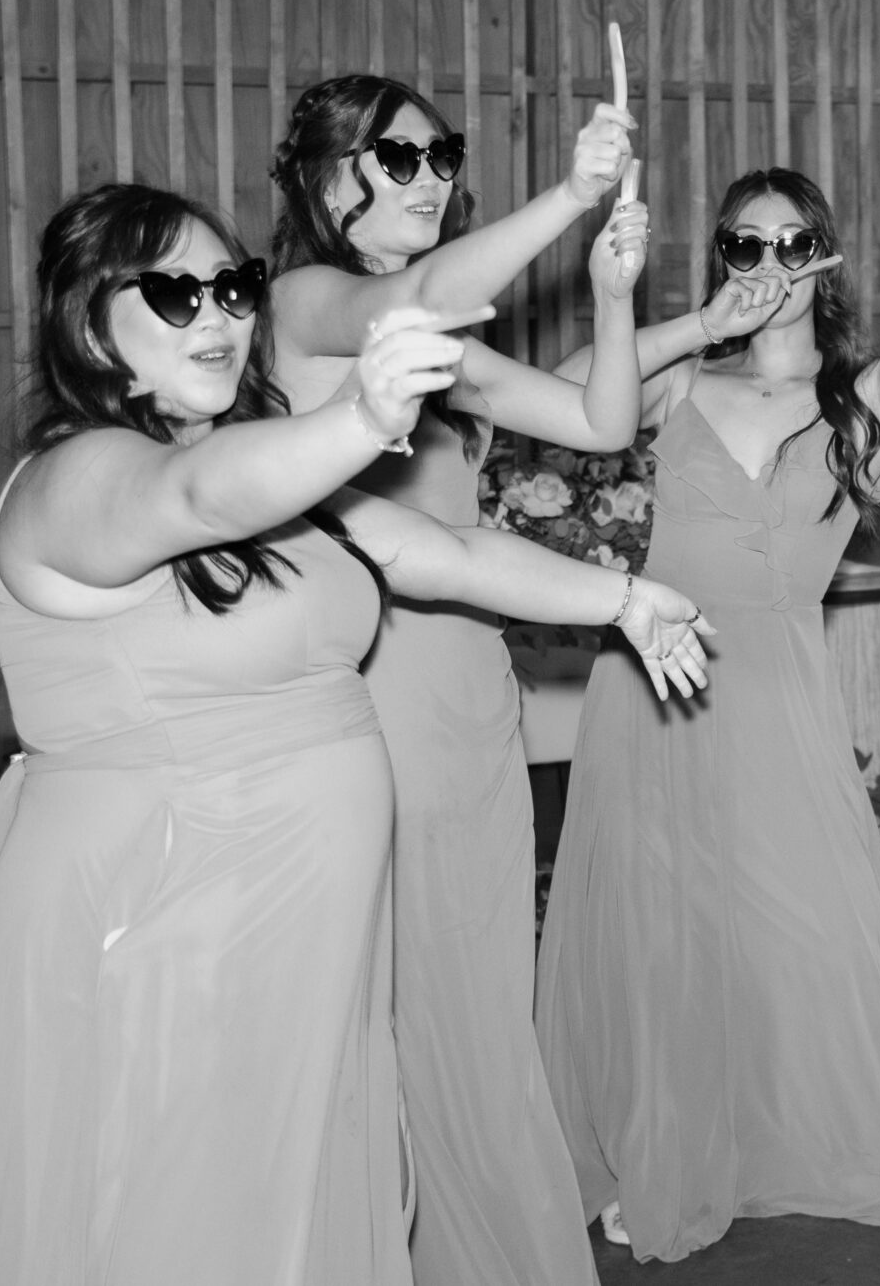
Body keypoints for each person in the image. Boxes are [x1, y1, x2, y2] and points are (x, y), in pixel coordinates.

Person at [0, 183, 710, 1286]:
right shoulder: (79, 475)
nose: (219, 315)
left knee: (294, 1206)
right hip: (166, 921)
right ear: (92, 324)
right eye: (173, 292)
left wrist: (624, 601)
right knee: (182, 1210)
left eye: (232, 286)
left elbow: (439, 556)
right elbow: (195, 497)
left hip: (304, 936)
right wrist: (358, 420)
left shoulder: (272, 478)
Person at [534, 167, 880, 1263]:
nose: (769, 264)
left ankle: (770, 1139)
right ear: (722, 257)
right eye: (744, 245)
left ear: (826, 256)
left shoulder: (857, 411)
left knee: (799, 928)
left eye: (791, 243)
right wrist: (691, 324)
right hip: (652, 685)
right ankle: (655, 1147)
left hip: (778, 693)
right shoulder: (674, 384)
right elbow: (565, 397)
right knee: (655, 935)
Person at [266, 75, 643, 1286]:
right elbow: (418, 295)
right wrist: (572, 196)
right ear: (329, 179)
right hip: (367, 683)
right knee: (384, 1000)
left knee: (476, 997)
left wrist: (613, 292)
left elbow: (600, 420)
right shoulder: (308, 301)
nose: (429, 179)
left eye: (443, 159)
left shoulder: (438, 347)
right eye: (398, 159)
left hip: (466, 681)